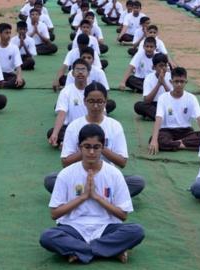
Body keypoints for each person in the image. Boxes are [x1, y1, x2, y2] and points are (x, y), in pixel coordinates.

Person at [39, 124, 145, 264]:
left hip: (106, 227)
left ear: (102, 147)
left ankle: (78, 251)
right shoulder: (66, 174)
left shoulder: (114, 174)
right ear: (80, 147)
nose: (91, 152)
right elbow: (54, 214)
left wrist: (96, 197)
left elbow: (123, 215)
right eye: (87, 146)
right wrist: (83, 197)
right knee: (47, 236)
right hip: (73, 227)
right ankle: (111, 250)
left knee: (136, 231)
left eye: (96, 147)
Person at [45, 82, 145, 197]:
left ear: (105, 102)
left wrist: (100, 147)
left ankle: (82, 195)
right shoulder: (74, 126)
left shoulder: (114, 125)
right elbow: (65, 162)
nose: (96, 106)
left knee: (137, 182)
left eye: (100, 101)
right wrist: (86, 149)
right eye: (91, 101)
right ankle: (102, 196)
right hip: (79, 175)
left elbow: (122, 162)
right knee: (51, 180)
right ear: (85, 101)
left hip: (106, 176)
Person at [148, 67, 200, 154]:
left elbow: (199, 118)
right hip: (167, 131)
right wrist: (154, 140)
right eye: (176, 81)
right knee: (154, 139)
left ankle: (175, 144)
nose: (179, 84)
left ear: (186, 82)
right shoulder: (163, 98)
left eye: (182, 81)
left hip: (186, 131)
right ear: (171, 82)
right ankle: (184, 144)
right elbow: (158, 119)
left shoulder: (191, 98)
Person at [48, 59, 90, 147]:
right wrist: (55, 134)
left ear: (88, 73)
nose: (80, 72)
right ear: (72, 73)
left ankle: (69, 143)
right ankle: (79, 143)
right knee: (52, 132)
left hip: (90, 127)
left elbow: (102, 113)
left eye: (83, 70)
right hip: (71, 128)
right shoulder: (66, 91)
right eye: (77, 70)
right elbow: (61, 114)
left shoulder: (94, 89)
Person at [64, 47, 116, 113]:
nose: (86, 60)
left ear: (93, 60)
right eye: (84, 58)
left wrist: (103, 104)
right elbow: (67, 91)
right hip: (76, 100)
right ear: (80, 59)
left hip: (94, 101)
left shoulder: (99, 72)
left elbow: (105, 92)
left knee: (111, 104)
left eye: (89, 58)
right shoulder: (72, 73)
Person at [134, 53, 172, 121]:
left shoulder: (170, 77)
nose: (163, 68)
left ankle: (155, 116)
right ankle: (163, 117)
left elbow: (173, 97)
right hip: (153, 104)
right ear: (154, 67)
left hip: (167, 104)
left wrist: (164, 83)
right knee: (138, 106)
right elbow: (147, 100)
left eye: (165, 66)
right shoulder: (149, 78)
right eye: (160, 66)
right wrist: (159, 84)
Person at [0, 23, 26, 90]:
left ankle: (1, 84)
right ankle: (1, 83)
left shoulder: (14, 48)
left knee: (22, 82)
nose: (8, 35)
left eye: (9, 33)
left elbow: (18, 65)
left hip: (9, 75)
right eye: (6, 33)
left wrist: (19, 77)